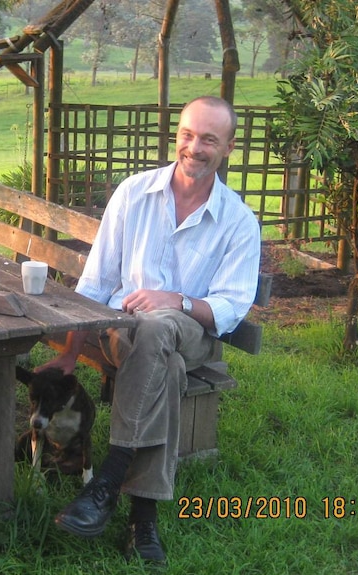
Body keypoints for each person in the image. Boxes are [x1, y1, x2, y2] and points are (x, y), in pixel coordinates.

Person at [39, 96, 261, 565]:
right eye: (187, 134)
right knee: (167, 366)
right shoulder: (134, 193)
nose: (194, 147)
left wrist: (175, 299)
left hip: (194, 332)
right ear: (176, 134)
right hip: (124, 331)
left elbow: (230, 307)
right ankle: (144, 522)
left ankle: (107, 481)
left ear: (229, 147)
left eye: (208, 139)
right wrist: (72, 352)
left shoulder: (238, 221)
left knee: (161, 329)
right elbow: (96, 284)